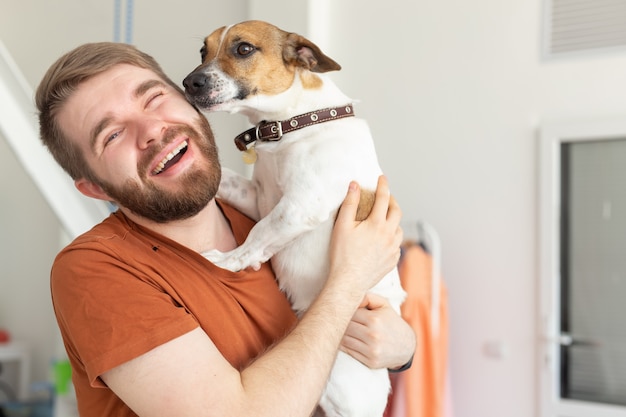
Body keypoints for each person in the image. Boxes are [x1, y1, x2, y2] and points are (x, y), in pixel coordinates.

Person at [36, 42, 415, 417]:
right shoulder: (97, 270)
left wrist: (401, 348)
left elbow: (375, 331)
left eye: (154, 99)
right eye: (112, 135)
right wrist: (348, 281)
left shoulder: (268, 217)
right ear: (95, 188)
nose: (151, 128)